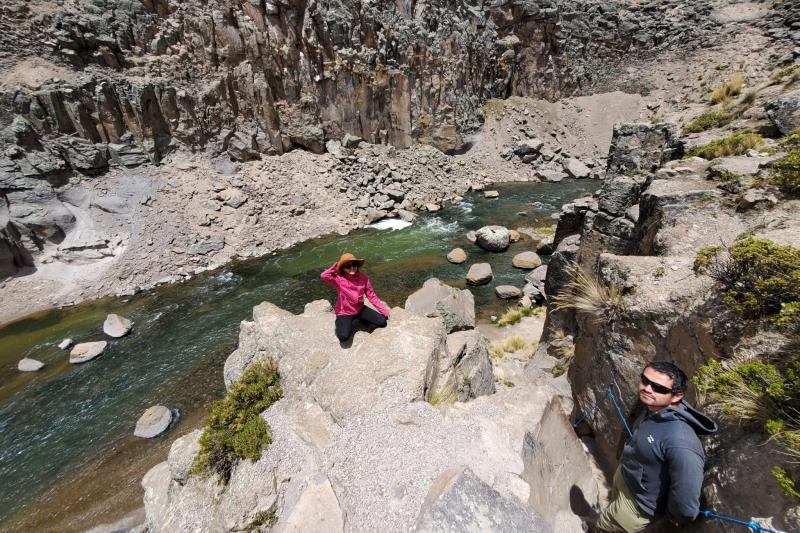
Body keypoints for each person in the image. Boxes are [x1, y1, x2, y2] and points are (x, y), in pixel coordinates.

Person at [594, 361, 718, 533]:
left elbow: (686, 501)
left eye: (659, 388)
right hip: (627, 484)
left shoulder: (680, 440)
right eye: (645, 380)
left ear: (676, 396)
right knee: (607, 516)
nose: (647, 388)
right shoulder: (654, 409)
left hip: (637, 507)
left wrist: (677, 517)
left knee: (604, 528)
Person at [320, 252, 390, 342]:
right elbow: (324, 275)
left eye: (354, 265)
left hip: (360, 309)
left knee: (382, 322)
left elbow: (371, 296)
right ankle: (340, 321)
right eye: (348, 266)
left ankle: (363, 321)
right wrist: (336, 266)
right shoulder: (338, 279)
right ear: (343, 268)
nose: (352, 268)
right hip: (344, 313)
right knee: (343, 337)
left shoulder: (363, 277)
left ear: (357, 266)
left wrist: (383, 310)